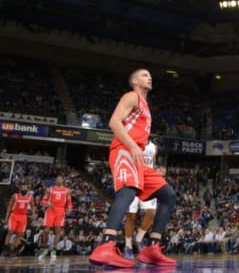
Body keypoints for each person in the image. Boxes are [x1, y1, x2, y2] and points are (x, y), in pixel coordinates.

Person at [88, 69, 177, 268]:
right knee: (127, 193)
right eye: (145, 75)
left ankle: (152, 248)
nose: (150, 77)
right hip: (125, 150)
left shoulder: (146, 105)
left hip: (138, 157)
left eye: (150, 75)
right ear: (135, 81)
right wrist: (133, 146)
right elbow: (113, 122)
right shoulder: (131, 96)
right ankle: (106, 245)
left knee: (168, 195)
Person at [123, 139, 164, 258]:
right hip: (133, 181)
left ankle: (139, 237)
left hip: (148, 182)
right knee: (131, 215)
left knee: (151, 213)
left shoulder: (154, 147)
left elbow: (153, 164)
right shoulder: (132, 142)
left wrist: (157, 172)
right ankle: (128, 245)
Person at [38, 176, 72, 259]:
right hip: (50, 210)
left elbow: (69, 201)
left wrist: (69, 208)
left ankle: (54, 249)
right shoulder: (49, 189)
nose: (59, 180)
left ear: (63, 180)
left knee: (58, 230)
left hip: (60, 210)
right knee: (46, 231)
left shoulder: (67, 190)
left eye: (61, 179)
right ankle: (45, 248)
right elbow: (43, 200)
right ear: (55, 181)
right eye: (57, 179)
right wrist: (47, 203)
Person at [3, 183, 33, 256]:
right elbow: (9, 207)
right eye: (23, 187)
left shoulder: (30, 197)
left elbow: (33, 206)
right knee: (10, 231)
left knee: (19, 234)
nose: (24, 189)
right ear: (20, 189)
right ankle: (5, 249)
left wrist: (32, 214)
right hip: (14, 215)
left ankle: (14, 250)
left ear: (27, 189)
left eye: (25, 188)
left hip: (23, 216)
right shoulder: (15, 196)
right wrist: (6, 218)